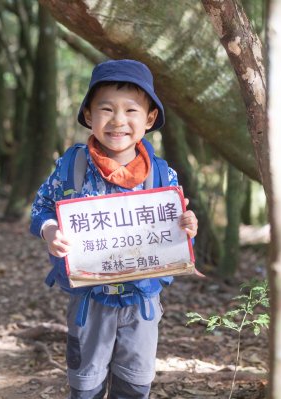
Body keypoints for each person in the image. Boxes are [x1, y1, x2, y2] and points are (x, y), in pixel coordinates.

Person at [30, 59, 198, 399]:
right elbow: (41, 207)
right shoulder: (71, 167)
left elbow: (176, 227)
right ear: (89, 115)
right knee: (86, 383)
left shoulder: (162, 176)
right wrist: (49, 231)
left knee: (135, 382)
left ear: (149, 119)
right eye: (106, 109)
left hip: (142, 301)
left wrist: (187, 226)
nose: (118, 120)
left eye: (131, 110)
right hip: (90, 301)